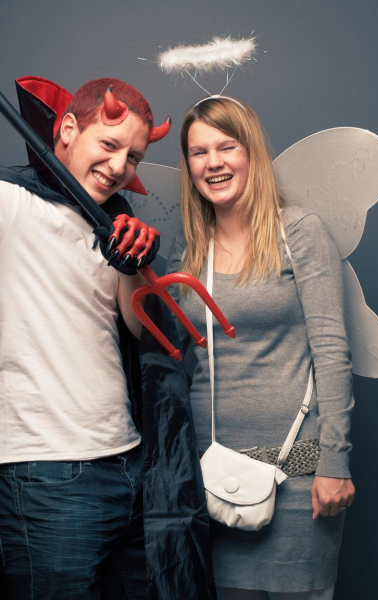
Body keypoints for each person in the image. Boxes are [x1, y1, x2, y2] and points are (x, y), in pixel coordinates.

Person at [167, 96, 356, 600]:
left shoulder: (298, 232)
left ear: (251, 152)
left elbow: (331, 350)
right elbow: (165, 352)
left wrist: (335, 462)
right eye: (199, 152)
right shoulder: (190, 249)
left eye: (227, 147)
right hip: (214, 478)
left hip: (298, 475)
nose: (213, 162)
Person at [0, 76, 168, 599]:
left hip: (128, 462)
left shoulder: (114, 222)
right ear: (68, 129)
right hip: (47, 472)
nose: (119, 167)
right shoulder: (11, 202)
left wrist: (134, 266)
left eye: (133, 157)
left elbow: (139, 330)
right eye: (110, 144)